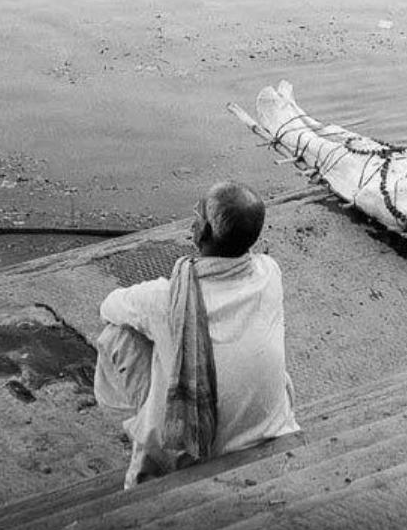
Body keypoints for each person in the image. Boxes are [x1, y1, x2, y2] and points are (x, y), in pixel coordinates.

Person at [94, 181, 299, 489]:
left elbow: (109, 306)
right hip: (267, 429)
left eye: (197, 214)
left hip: (199, 449)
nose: (192, 219)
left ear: (202, 232)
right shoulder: (269, 272)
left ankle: (154, 433)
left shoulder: (163, 299)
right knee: (174, 345)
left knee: (117, 335)